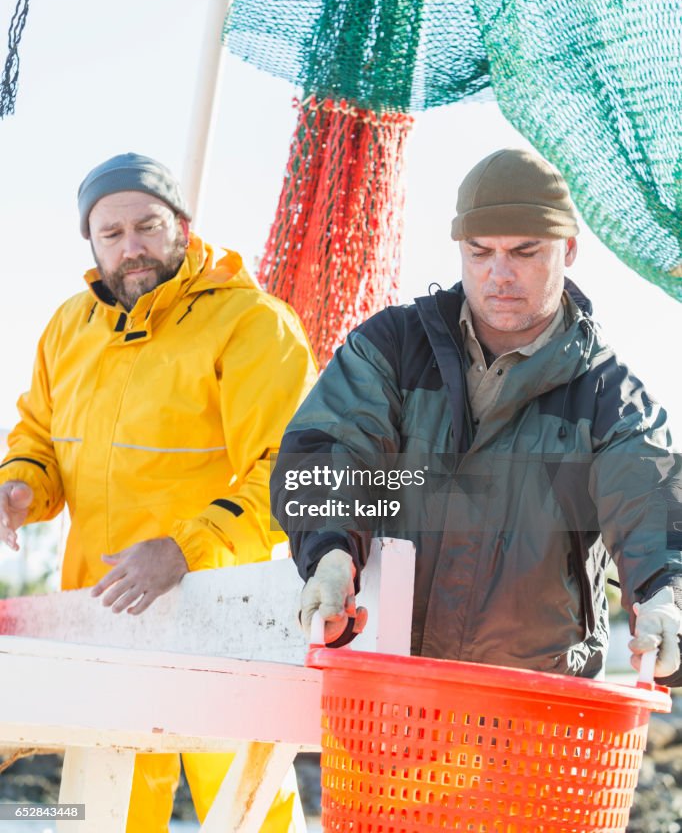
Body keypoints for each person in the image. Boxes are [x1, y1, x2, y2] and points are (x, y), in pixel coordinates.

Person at [271, 148, 682, 684]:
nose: (499, 274)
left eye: (525, 251)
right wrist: (328, 553)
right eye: (480, 251)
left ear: (570, 249)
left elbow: (651, 507)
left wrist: (666, 599)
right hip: (384, 689)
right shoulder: (392, 347)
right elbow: (326, 451)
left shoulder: (611, 400)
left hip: (535, 707)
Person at [0, 153, 317, 833]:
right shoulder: (67, 328)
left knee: (253, 813)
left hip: (223, 614)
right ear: (91, 242)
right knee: (105, 813)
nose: (131, 247)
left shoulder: (253, 323)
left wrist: (184, 548)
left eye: (147, 226)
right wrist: (20, 487)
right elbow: (39, 436)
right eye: (111, 234)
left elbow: (292, 470)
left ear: (183, 224)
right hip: (104, 615)